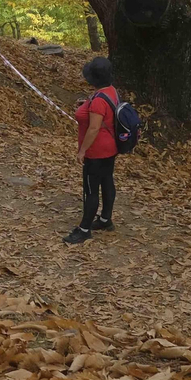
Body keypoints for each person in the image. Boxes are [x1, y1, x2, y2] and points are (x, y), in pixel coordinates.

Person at [64, 57, 119, 245]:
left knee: (91, 189)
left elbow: (94, 128)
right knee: (107, 180)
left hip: (96, 152)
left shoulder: (98, 101)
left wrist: (82, 151)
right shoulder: (111, 92)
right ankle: (105, 219)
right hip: (110, 148)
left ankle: (85, 229)